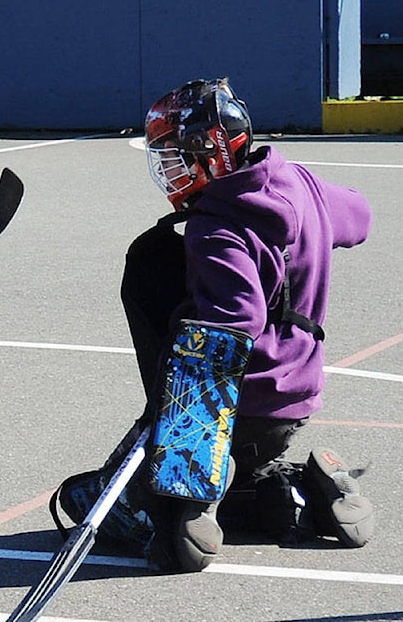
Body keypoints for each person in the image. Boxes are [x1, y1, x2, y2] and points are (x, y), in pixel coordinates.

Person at [118, 78, 374, 571]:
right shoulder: (301, 184)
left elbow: (235, 319)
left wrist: (176, 408)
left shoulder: (215, 226)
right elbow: (359, 216)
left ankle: (198, 492)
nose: (169, 172)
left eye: (174, 157)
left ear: (208, 152)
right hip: (296, 396)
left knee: (115, 503)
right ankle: (303, 490)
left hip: (234, 401)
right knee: (255, 470)